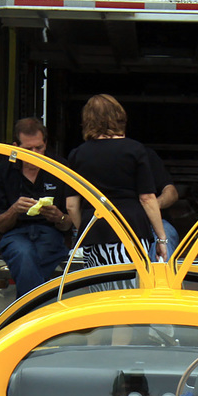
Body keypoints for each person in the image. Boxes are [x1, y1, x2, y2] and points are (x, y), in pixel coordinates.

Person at [64, 94, 164, 267]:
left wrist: (86, 231)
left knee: (101, 291)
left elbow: (71, 205)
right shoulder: (135, 150)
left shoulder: (77, 154)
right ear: (119, 117)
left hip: (95, 228)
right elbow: (147, 198)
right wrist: (161, 239)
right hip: (132, 228)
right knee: (130, 289)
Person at [0, 117, 73, 299]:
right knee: (23, 253)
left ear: (46, 144)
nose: (34, 154)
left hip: (50, 233)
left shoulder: (60, 168)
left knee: (31, 257)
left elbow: (69, 224)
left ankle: (25, 315)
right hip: (16, 234)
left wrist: (59, 217)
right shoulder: (4, 171)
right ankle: (38, 313)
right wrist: (14, 210)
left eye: (39, 148)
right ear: (16, 147)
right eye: (28, 150)